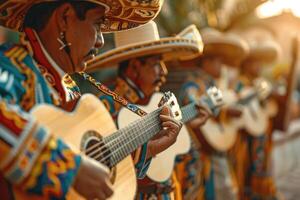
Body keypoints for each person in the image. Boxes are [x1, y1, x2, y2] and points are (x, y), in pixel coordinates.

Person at [0, 1, 183, 200]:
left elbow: (91, 157)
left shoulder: (70, 88)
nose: (100, 41)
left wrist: (150, 147)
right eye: (97, 24)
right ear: (65, 18)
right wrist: (69, 167)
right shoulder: (10, 67)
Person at [87, 21, 209, 200]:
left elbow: (184, 158)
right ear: (135, 67)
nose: (164, 71)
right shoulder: (103, 108)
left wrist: (193, 126)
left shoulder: (159, 101)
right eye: (157, 64)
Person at [174, 28, 249, 200]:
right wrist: (225, 112)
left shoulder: (212, 85)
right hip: (199, 151)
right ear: (205, 62)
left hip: (212, 149)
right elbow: (192, 102)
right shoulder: (193, 83)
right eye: (217, 61)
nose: (221, 66)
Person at [229, 38, 282, 200]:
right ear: (245, 65)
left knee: (262, 165)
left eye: (260, 63)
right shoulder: (238, 84)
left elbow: (268, 107)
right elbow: (235, 104)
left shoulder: (260, 83)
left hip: (261, 136)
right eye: (255, 63)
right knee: (246, 170)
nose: (259, 66)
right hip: (245, 138)